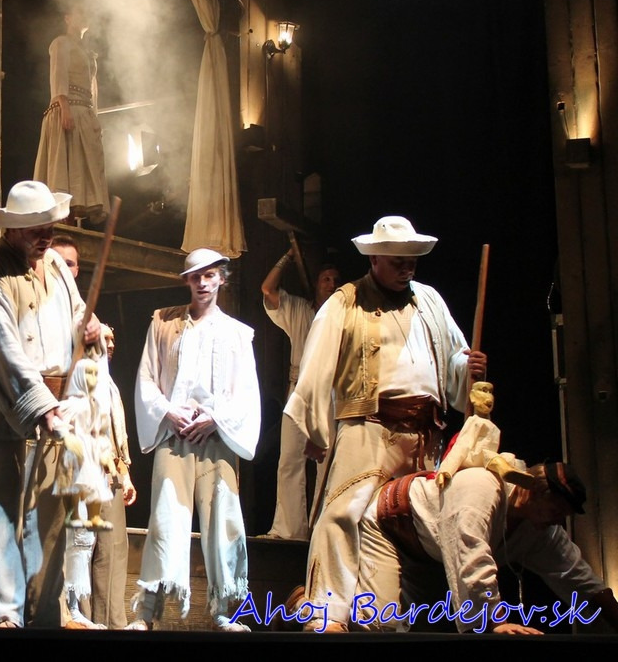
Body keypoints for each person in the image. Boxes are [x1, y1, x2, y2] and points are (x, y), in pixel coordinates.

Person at [284, 215, 486, 632]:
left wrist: (467, 368)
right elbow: (317, 366)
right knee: (343, 513)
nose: (407, 268)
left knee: (406, 523)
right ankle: (326, 613)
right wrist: (316, 429)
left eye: (411, 261)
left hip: (425, 433)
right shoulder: (345, 302)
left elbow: (452, 355)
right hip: (370, 426)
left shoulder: (429, 300)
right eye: (398, 261)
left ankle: (384, 617)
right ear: (375, 258)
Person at [0, 180, 101, 628]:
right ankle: (1, 612)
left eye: (50, 228)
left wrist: (91, 328)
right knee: (2, 510)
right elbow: (2, 349)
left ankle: (43, 612)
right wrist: (40, 406)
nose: (47, 237)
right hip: (8, 402)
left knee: (49, 516)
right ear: (13, 229)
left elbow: (77, 313)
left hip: (58, 401)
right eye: (38, 229)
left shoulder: (55, 264)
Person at [128, 248, 260, 632]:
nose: (203, 283)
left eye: (210, 275)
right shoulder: (164, 322)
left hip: (217, 436)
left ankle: (224, 609)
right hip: (175, 433)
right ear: (186, 280)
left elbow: (246, 390)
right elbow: (146, 376)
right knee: (165, 519)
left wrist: (216, 418)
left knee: (223, 520)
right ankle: (147, 612)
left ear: (221, 279)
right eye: (196, 276)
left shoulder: (237, 333)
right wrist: (168, 411)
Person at [354, 463, 618, 634]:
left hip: (427, 551)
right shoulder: (481, 488)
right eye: (556, 510)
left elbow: (578, 576)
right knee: (380, 623)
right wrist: (496, 622)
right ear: (535, 493)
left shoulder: (540, 530)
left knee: (423, 630)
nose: (558, 521)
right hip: (387, 524)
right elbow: (471, 553)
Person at [50, 235, 137, 630]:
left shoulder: (92, 328)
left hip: (105, 463)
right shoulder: (50, 321)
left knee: (110, 548)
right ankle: (74, 616)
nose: (65, 270)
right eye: (58, 262)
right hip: (68, 454)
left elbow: (110, 417)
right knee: (74, 543)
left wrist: (124, 469)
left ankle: (111, 623)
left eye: (71, 263)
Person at [260, 249, 340, 540]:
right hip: (298, 390)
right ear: (317, 284)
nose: (331, 284)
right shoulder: (300, 310)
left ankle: (322, 529)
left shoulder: (343, 318)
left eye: (335, 280)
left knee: (326, 463)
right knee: (289, 460)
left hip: (330, 393)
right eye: (325, 279)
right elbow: (268, 289)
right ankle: (290, 529)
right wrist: (287, 257)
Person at [34, 6, 108, 224]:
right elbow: (58, 74)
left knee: (80, 172)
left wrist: (94, 117)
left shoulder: (88, 52)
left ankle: (74, 222)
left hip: (84, 111)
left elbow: (93, 88)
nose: (84, 16)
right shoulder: (61, 43)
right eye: (79, 13)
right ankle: (61, 221)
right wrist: (64, 106)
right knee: (63, 169)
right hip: (67, 109)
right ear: (67, 18)